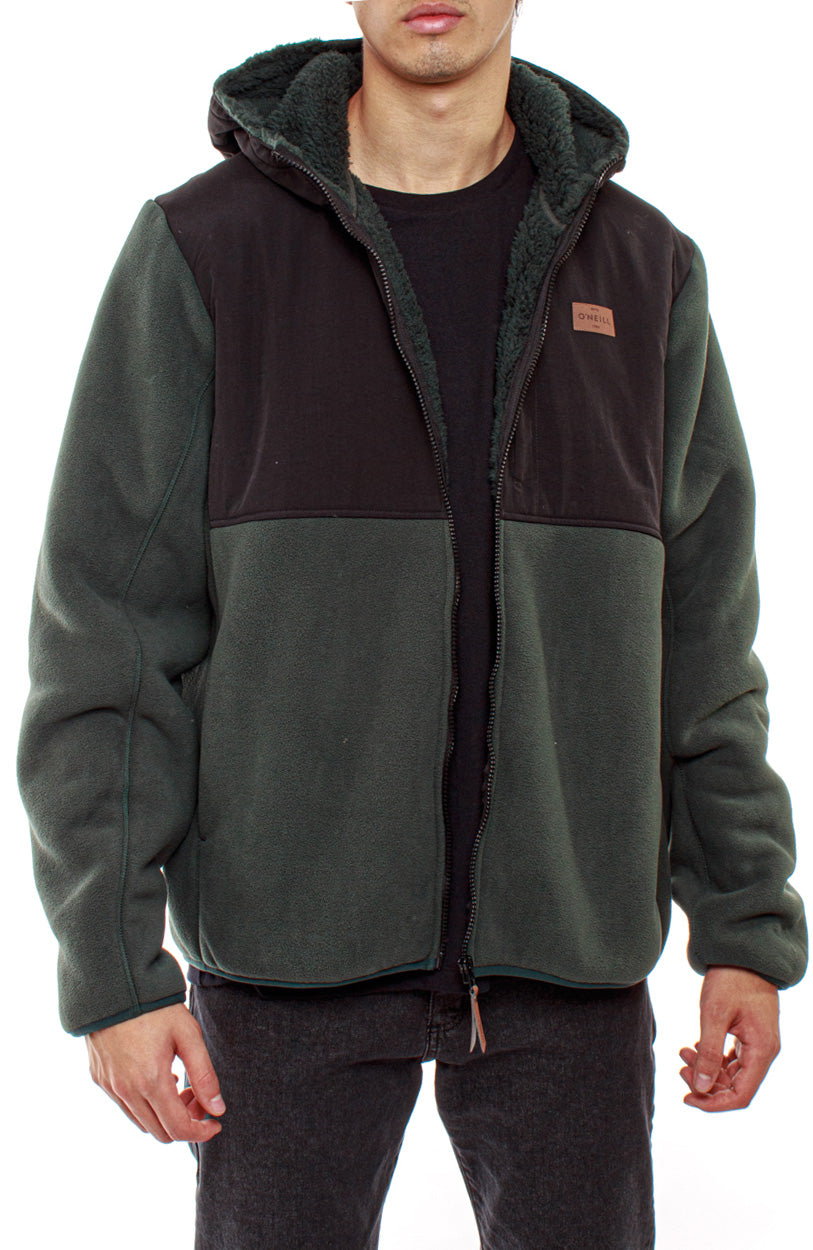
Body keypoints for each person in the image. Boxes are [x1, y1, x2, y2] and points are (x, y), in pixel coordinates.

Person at [16, 1, 808, 1246]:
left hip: (571, 965)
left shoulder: (648, 270)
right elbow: (107, 632)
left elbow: (705, 639)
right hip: (284, 962)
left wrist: (745, 926)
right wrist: (113, 970)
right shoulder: (206, 248)